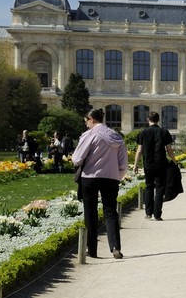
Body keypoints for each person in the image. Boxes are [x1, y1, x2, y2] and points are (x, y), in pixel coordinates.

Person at [71, 107, 127, 259]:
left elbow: (77, 158)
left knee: (91, 212)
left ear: (92, 120)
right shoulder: (116, 136)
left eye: (86, 121)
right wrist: (117, 175)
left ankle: (92, 249)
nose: (86, 125)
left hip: (90, 177)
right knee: (110, 212)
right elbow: (123, 163)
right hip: (111, 178)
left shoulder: (90, 135)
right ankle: (115, 246)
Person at [132, 111, 175, 221]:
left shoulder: (143, 132)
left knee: (149, 187)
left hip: (148, 164)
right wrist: (174, 160)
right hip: (161, 164)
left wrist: (135, 165)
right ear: (158, 120)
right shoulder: (164, 132)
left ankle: (148, 213)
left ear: (148, 119)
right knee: (160, 189)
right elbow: (169, 149)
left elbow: (140, 150)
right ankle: (157, 214)